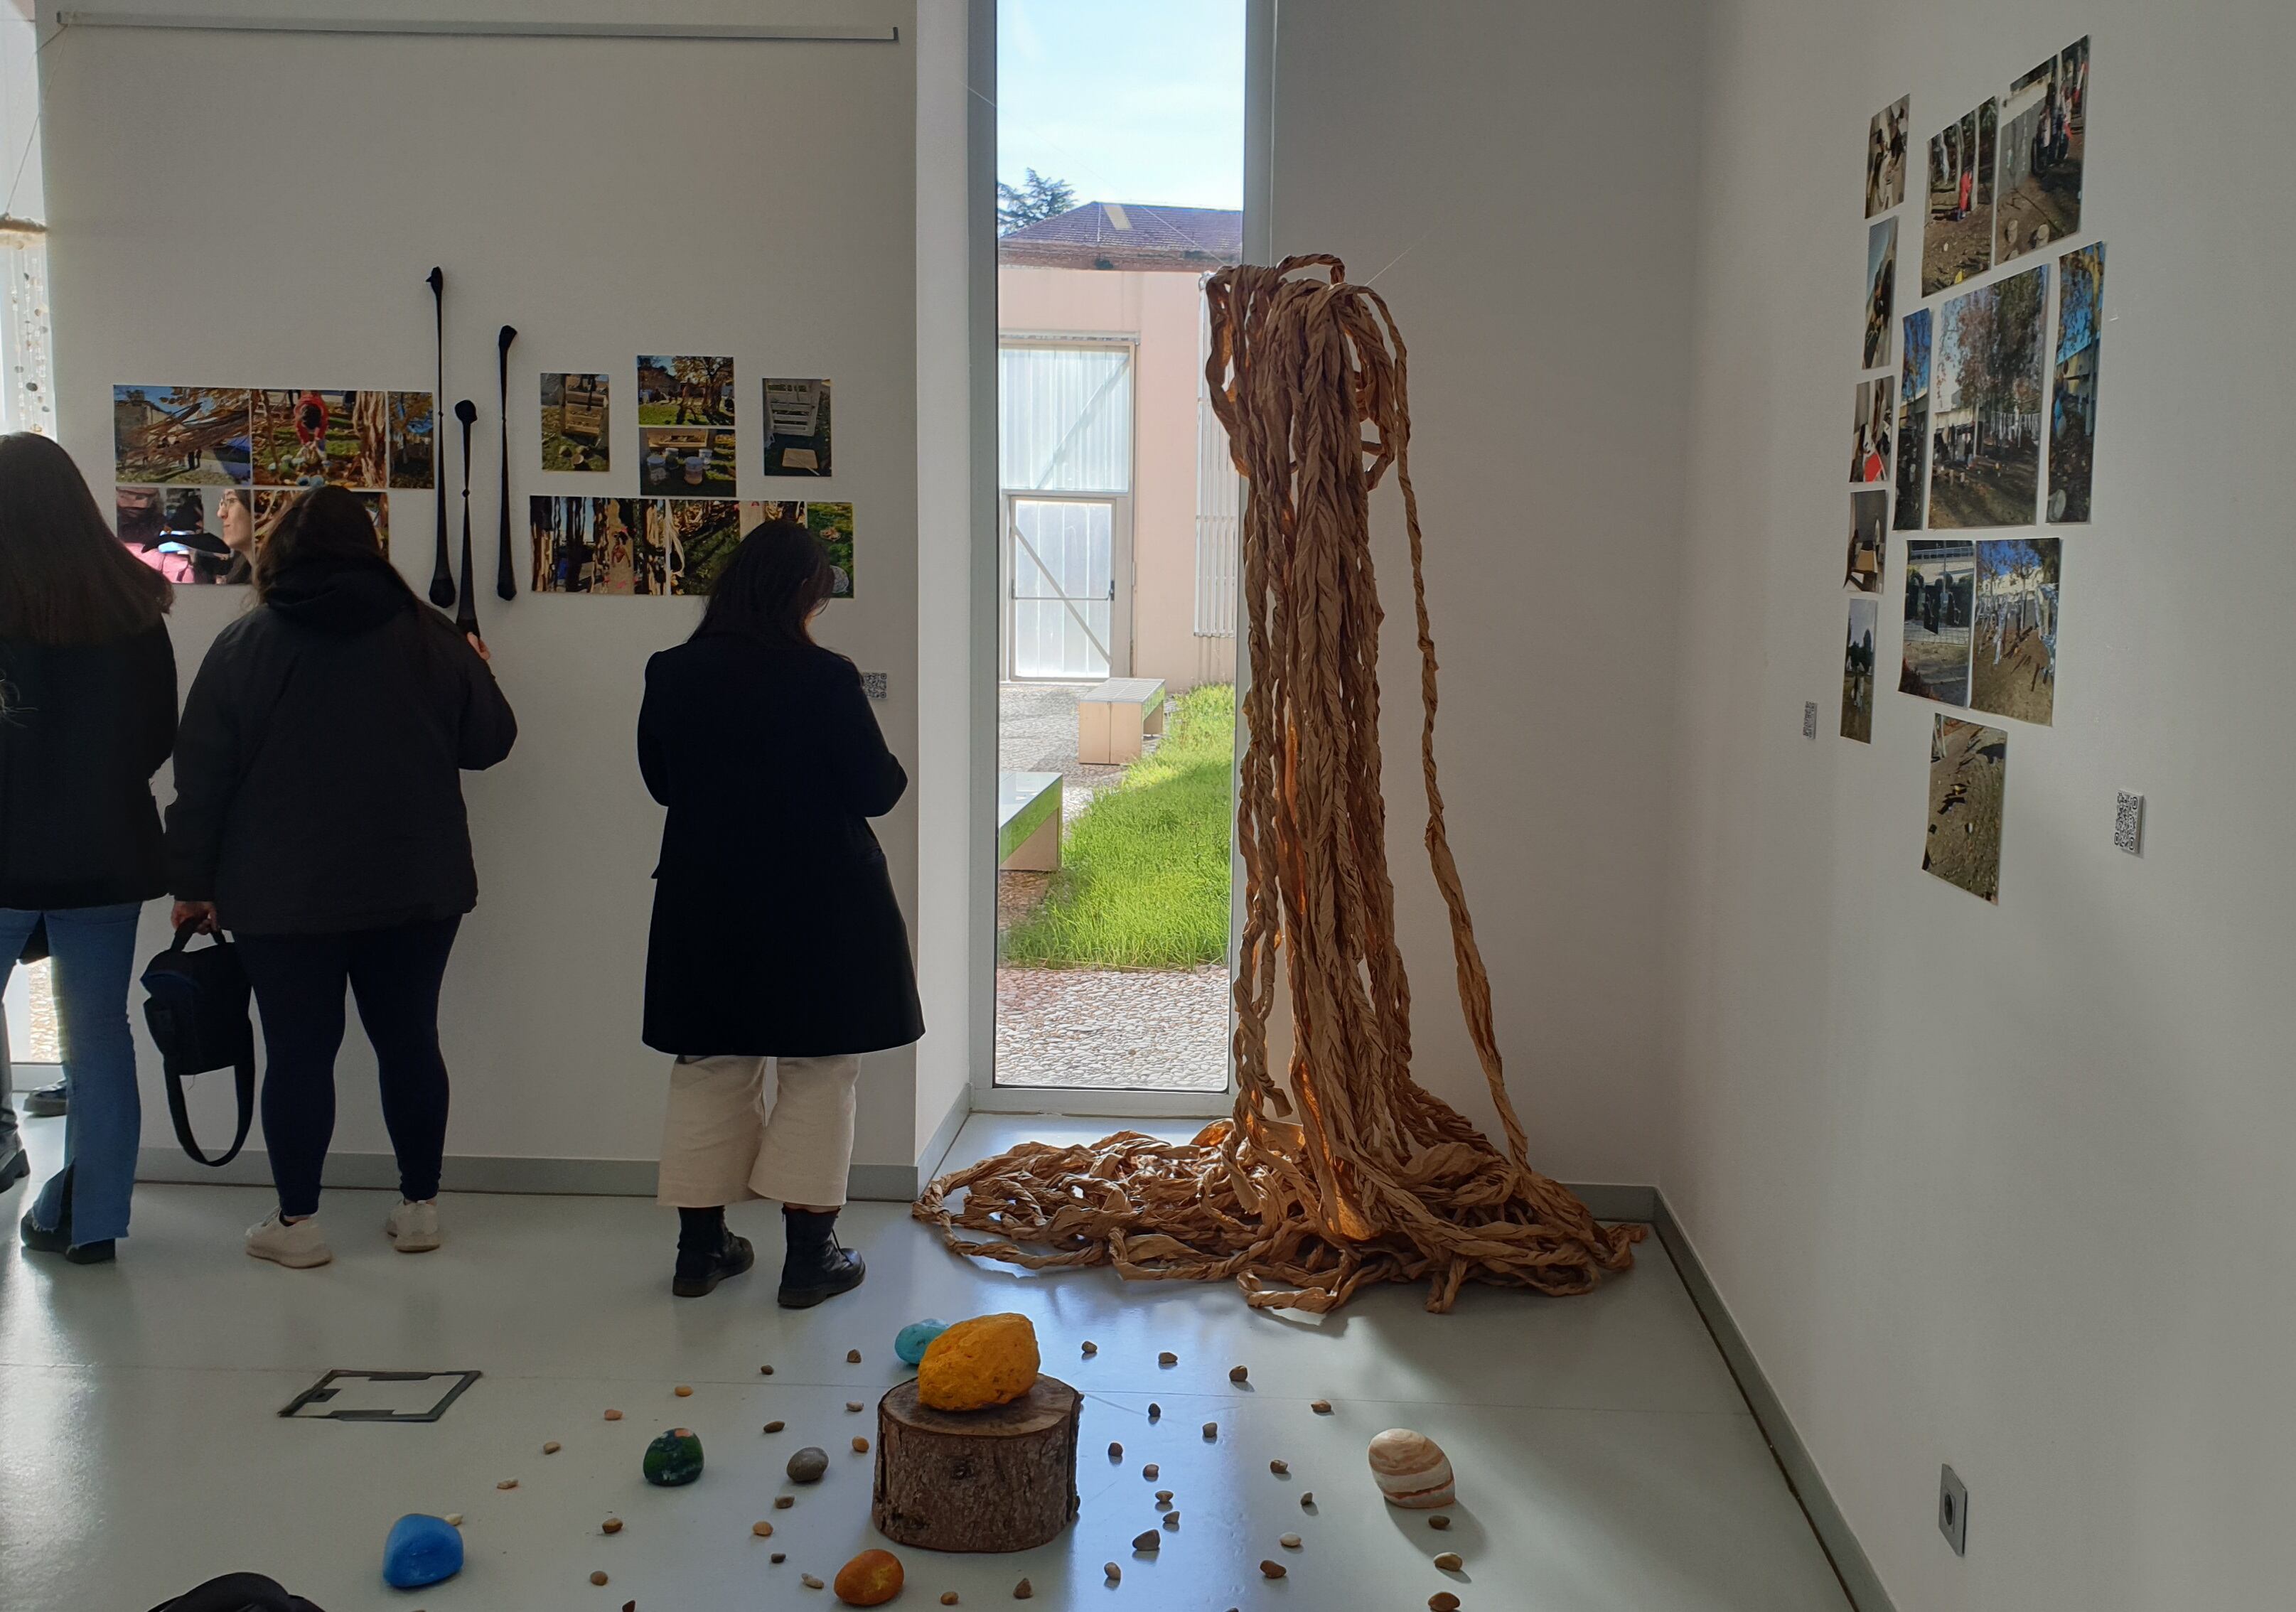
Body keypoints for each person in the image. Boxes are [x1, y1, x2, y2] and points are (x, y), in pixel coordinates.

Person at [166, 485, 515, 1269]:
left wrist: (192, 882)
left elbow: (202, 781)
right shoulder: (429, 637)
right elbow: (489, 743)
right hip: (416, 885)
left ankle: (298, 1225)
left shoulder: (242, 646)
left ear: (282, 552)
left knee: (297, 1053)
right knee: (410, 1042)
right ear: (370, 548)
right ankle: (420, 1208)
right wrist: (481, 675)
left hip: (280, 894)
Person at [638, 518, 921, 1306]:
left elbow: (661, 783)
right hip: (820, 902)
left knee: (708, 1065)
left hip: (705, 899)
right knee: (818, 1069)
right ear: (803, 593)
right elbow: (877, 790)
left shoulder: (671, 671)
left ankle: (699, 1252)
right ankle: (809, 1257)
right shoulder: (824, 678)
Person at [0, 431, 179, 1264]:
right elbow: (154, 739)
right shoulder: (132, 605)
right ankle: (95, 1220)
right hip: (107, 850)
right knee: (100, 1037)